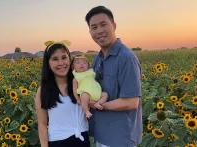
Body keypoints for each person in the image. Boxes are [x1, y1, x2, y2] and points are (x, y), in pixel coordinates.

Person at [85, 6, 143, 147]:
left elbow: (131, 102)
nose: (99, 31)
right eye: (94, 27)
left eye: (103, 24)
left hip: (120, 137)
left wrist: (99, 106)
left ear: (114, 26)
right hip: (102, 133)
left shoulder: (126, 58)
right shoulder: (98, 58)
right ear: (90, 31)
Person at [34, 40, 91, 147]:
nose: (61, 63)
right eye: (55, 59)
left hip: (82, 140)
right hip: (58, 142)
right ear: (48, 63)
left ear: (70, 59)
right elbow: (42, 124)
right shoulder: (43, 91)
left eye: (64, 58)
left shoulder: (80, 83)